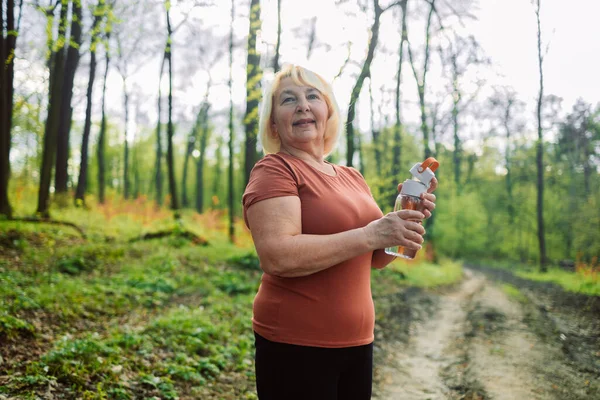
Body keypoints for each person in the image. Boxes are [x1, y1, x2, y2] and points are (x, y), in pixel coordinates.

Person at [242, 64, 438, 400]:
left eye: (312, 96)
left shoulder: (352, 176)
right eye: (289, 99)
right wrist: (373, 233)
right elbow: (278, 256)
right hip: (295, 344)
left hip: (357, 342)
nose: (303, 105)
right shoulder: (275, 169)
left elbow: (375, 258)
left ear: (327, 111)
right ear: (274, 122)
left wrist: (400, 223)